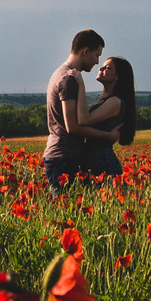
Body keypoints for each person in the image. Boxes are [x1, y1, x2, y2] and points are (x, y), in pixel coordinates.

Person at [44, 30, 122, 189]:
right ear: (85, 51)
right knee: (64, 208)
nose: (97, 61)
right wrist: (109, 136)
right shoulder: (69, 79)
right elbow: (72, 126)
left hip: (63, 155)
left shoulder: (62, 73)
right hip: (64, 156)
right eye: (96, 55)